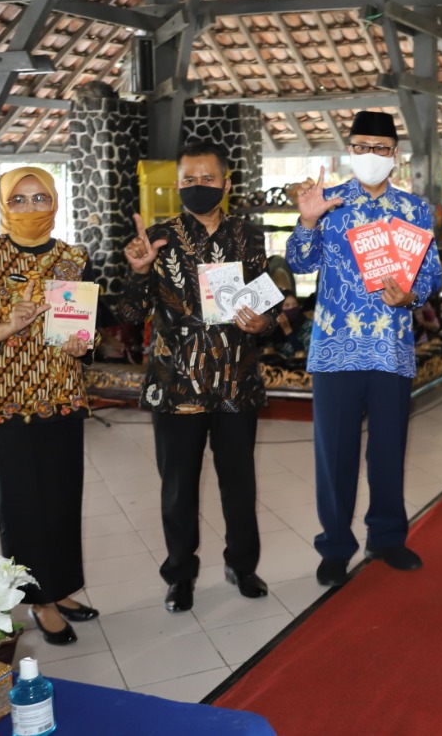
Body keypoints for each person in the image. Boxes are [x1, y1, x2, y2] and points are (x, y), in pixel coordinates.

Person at [118, 141, 275, 614]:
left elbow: (265, 301)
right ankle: (180, 575)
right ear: (178, 185)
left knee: (239, 483)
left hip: (235, 380)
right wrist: (138, 271)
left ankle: (242, 565)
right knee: (178, 487)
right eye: (188, 179)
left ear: (226, 184)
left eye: (207, 178)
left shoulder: (251, 237)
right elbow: (129, 312)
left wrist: (261, 322)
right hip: (176, 383)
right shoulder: (158, 239)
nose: (197, 186)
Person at [287, 111, 442, 587]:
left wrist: (412, 296)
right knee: (334, 454)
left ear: (394, 155)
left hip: (391, 349)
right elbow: (298, 261)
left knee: (389, 449)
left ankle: (388, 538)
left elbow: (432, 274)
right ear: (349, 150)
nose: (370, 155)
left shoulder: (416, 210)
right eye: (361, 146)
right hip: (336, 348)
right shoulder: (327, 203)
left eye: (380, 147)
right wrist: (307, 221)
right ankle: (335, 545)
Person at [0, 167, 100, 645]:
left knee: (60, 499)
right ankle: (37, 599)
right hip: (3, 405)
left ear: (54, 202)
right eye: (20, 199)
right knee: (20, 506)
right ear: (3, 205)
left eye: (40, 198)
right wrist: (7, 327)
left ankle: (62, 587)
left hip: (61, 399)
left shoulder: (73, 259)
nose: (31, 208)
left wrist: (82, 346)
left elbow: (86, 331)